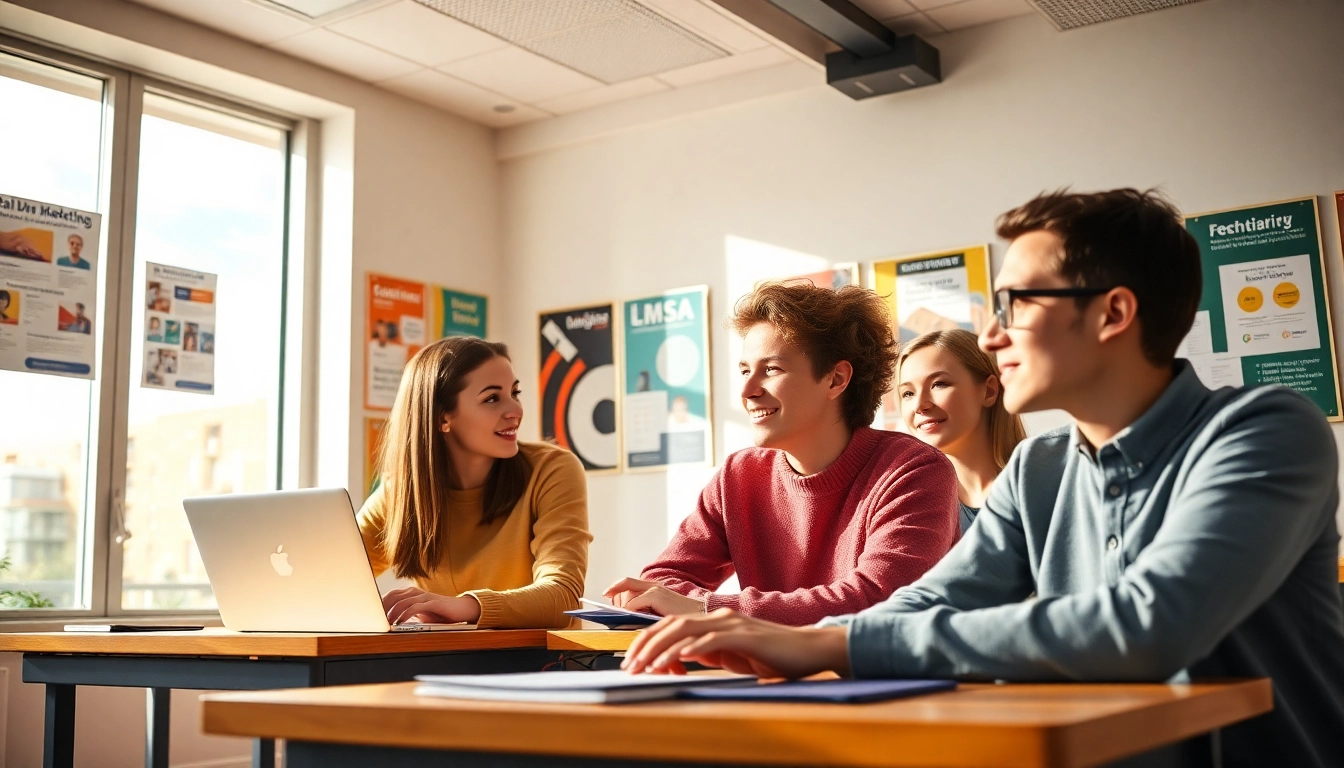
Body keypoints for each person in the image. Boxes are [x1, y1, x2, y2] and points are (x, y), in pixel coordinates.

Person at [621, 189, 1344, 766]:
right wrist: (765, 636)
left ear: (1114, 313)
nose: (992, 335)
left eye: (1017, 304)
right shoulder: (1041, 466)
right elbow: (936, 597)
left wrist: (827, 642)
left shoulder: (1268, 430)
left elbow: (1149, 624)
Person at [605, 281, 959, 626]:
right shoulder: (739, 476)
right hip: (772, 679)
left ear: (836, 379)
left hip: (882, 681)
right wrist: (694, 606)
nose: (746, 390)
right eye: (744, 370)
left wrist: (707, 610)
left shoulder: (915, 471)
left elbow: (877, 600)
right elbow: (661, 580)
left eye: (770, 370)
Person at [358, 336, 591, 628]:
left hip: (538, 664)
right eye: (492, 398)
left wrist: (467, 606)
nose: (515, 411)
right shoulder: (402, 492)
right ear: (442, 416)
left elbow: (563, 597)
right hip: (439, 661)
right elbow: (334, 575)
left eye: (514, 393)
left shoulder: (552, 470)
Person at [896, 329, 1025, 535]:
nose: (920, 405)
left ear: (989, 390)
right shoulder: (911, 502)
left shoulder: (1043, 482)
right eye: (908, 393)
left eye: (939, 384)